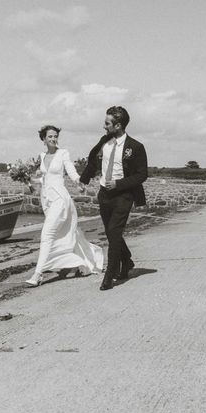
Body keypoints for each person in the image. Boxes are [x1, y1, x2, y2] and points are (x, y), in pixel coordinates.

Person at [25, 125, 104, 287]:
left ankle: (37, 273)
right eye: (50, 137)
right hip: (47, 200)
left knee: (47, 234)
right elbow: (45, 179)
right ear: (43, 139)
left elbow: (71, 172)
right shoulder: (42, 155)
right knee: (64, 233)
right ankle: (81, 262)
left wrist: (79, 181)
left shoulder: (63, 153)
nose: (53, 139)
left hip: (61, 200)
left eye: (55, 136)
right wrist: (28, 180)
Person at [79, 106, 148, 290]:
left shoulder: (136, 147)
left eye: (107, 123)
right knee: (111, 233)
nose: (104, 126)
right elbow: (93, 161)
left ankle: (110, 275)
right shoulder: (104, 141)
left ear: (118, 125)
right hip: (104, 194)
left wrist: (119, 184)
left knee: (114, 233)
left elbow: (142, 175)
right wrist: (83, 180)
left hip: (124, 195)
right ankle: (127, 262)